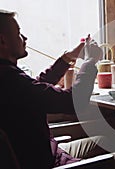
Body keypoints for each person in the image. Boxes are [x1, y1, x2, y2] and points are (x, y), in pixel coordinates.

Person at [0, 9, 105, 169]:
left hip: (50, 153)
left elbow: (36, 89)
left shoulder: (8, 76)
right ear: (2, 41)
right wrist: (90, 63)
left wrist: (69, 57)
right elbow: (74, 102)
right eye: (18, 34)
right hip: (50, 162)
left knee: (102, 140)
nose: (24, 38)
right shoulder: (10, 79)